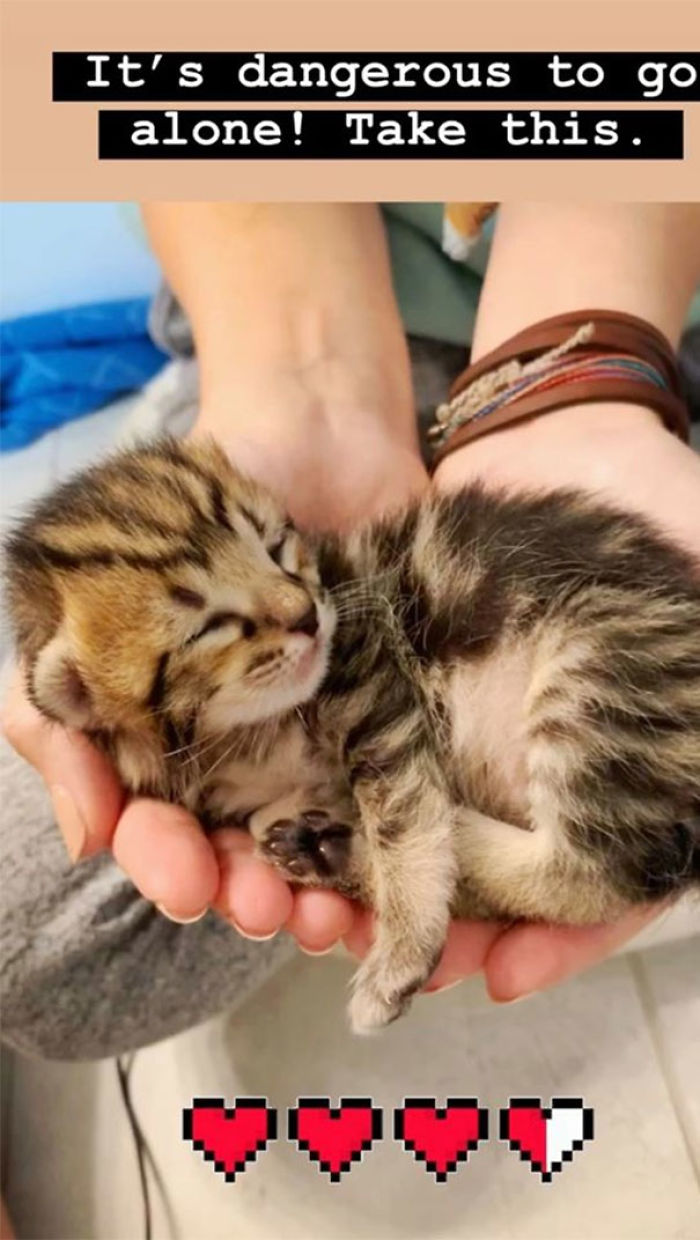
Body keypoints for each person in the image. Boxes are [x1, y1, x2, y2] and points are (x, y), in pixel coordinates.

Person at [2, 203, 700, 1059]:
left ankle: (575, 867)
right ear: (88, 693)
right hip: (287, 324)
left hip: (633, 329)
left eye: (276, 546)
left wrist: (580, 394)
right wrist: (301, 391)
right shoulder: (142, 663)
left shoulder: (338, 616)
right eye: (212, 623)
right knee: (28, 948)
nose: (297, 606)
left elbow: (383, 726)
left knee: (594, 717)